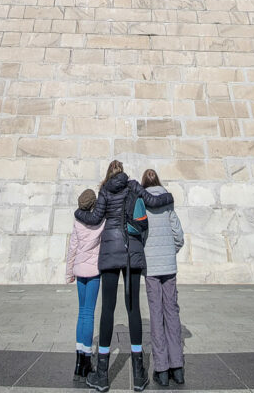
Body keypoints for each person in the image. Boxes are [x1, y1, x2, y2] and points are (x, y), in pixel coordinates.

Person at [74, 160, 174, 393]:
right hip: (132, 253)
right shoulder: (133, 185)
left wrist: (78, 211)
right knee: (134, 309)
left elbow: (95, 218)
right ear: (123, 171)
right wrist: (169, 197)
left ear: (108, 173)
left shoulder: (105, 190)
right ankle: (139, 376)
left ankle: (102, 375)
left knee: (107, 310)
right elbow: (153, 201)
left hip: (110, 253)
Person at [142, 168, 185, 387]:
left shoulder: (141, 202)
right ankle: (177, 369)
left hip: (150, 268)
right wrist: (170, 252)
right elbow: (178, 235)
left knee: (156, 316)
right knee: (172, 313)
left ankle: (161, 370)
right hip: (169, 266)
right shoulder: (168, 202)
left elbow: (139, 232)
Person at [66, 188, 105, 382]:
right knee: (89, 313)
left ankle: (78, 362)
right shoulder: (100, 221)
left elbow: (72, 247)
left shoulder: (77, 221)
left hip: (80, 271)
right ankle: (88, 360)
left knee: (81, 313)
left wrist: (68, 273)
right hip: (94, 272)